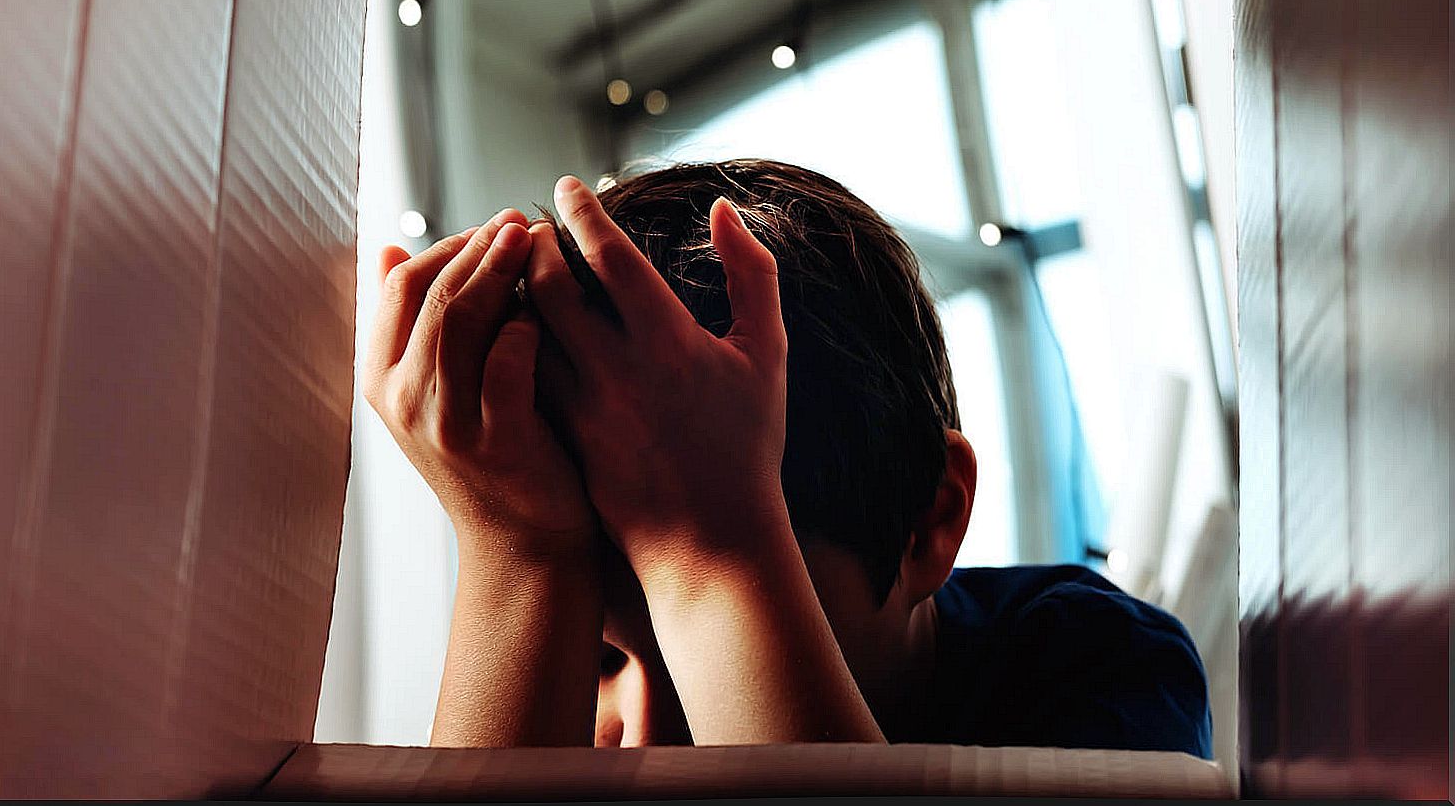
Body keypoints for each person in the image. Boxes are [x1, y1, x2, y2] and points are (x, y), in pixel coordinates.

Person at [362, 159, 1212, 756]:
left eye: (708, 612)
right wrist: (520, 557)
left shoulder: (1103, 667)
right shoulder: (563, 691)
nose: (650, 741)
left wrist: (719, 545)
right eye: (601, 658)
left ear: (928, 519)